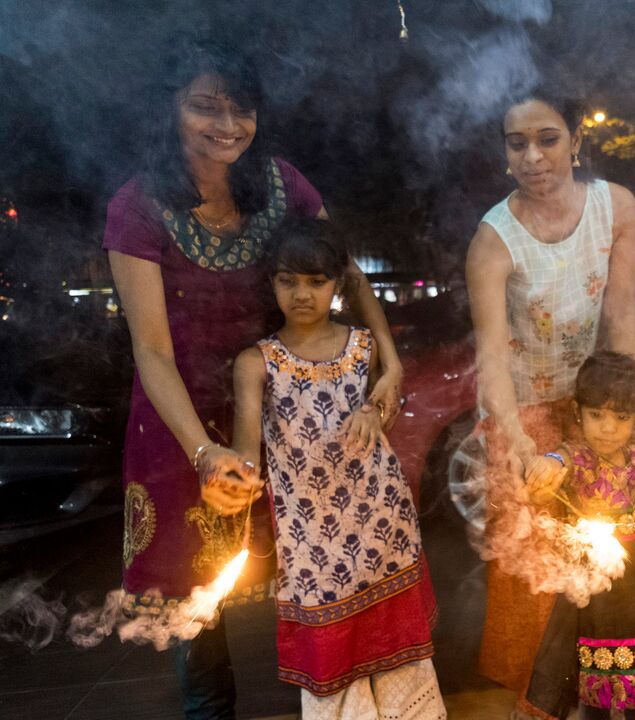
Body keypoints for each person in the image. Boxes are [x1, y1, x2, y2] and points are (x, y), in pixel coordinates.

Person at [104, 40, 403, 720]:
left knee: (313, 570)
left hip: (285, 406)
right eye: (204, 106)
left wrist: (390, 358)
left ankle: (331, 706)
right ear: (170, 111)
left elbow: (345, 272)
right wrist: (205, 454)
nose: (226, 124)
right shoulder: (137, 205)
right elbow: (151, 351)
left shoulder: (281, 184)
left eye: (241, 109)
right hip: (180, 422)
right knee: (200, 601)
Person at [230, 218, 445, 719]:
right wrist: (232, 477)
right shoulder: (257, 362)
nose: (302, 293)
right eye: (288, 280)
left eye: (316, 281)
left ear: (338, 285)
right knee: (333, 666)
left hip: (381, 521)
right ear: (271, 283)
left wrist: (374, 410)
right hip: (311, 540)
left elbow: (385, 406)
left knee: (400, 663)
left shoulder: (364, 347)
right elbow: (246, 449)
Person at [465, 88, 635, 693]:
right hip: (524, 416)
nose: (533, 156)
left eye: (548, 139)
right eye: (518, 144)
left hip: (595, 409)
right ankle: (534, 703)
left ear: (576, 142)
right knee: (534, 572)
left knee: (605, 550)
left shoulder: (614, 208)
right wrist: (514, 441)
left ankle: (603, 689)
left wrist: (627, 413)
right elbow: (489, 354)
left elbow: (620, 317)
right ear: (505, 152)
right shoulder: (493, 240)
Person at [519, 351, 635, 720]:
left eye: (621, 417)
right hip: (596, 589)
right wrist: (543, 466)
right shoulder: (574, 456)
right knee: (594, 693)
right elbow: (553, 466)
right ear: (579, 411)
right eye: (597, 415)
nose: (608, 428)